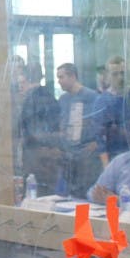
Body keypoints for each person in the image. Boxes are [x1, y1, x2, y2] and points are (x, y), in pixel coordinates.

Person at [91, 55, 130, 162]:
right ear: (108, 76)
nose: (120, 78)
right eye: (115, 74)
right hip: (114, 158)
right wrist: (107, 167)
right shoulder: (101, 102)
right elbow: (100, 139)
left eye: (123, 73)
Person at [55, 63, 100, 198]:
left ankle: (84, 219)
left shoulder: (92, 97)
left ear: (73, 76)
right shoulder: (63, 99)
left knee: (84, 193)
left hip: (87, 155)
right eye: (58, 78)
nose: (59, 81)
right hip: (68, 155)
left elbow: (103, 123)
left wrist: (96, 143)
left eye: (61, 77)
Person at [18, 62, 60, 196]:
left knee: (36, 193)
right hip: (48, 153)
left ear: (26, 77)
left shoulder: (32, 98)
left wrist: (42, 149)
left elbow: (33, 131)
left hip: (36, 154)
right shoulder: (50, 96)